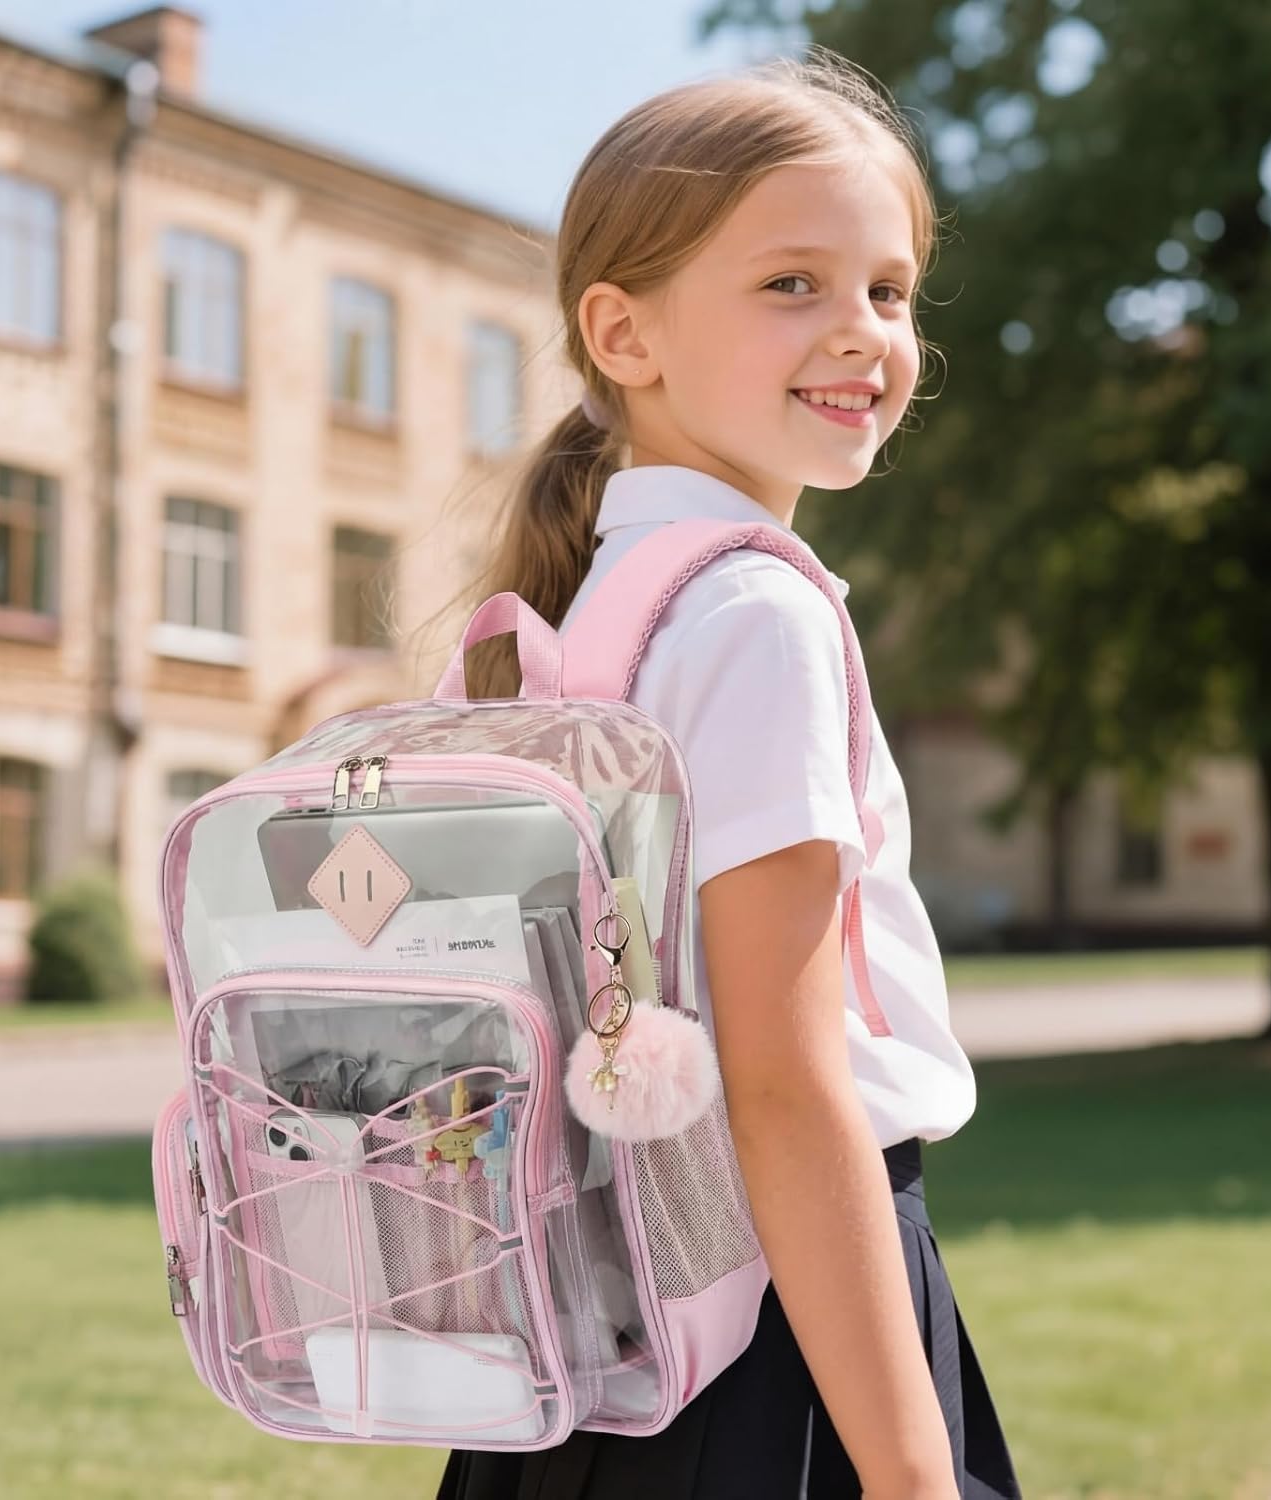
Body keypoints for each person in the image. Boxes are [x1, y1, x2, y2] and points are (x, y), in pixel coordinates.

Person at [436, 45, 1022, 1500]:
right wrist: (907, 1468)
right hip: (773, 1328)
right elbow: (784, 1081)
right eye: (791, 285)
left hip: (596, 1333)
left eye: (887, 290)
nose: (864, 334)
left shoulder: (563, 616)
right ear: (623, 334)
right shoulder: (755, 615)